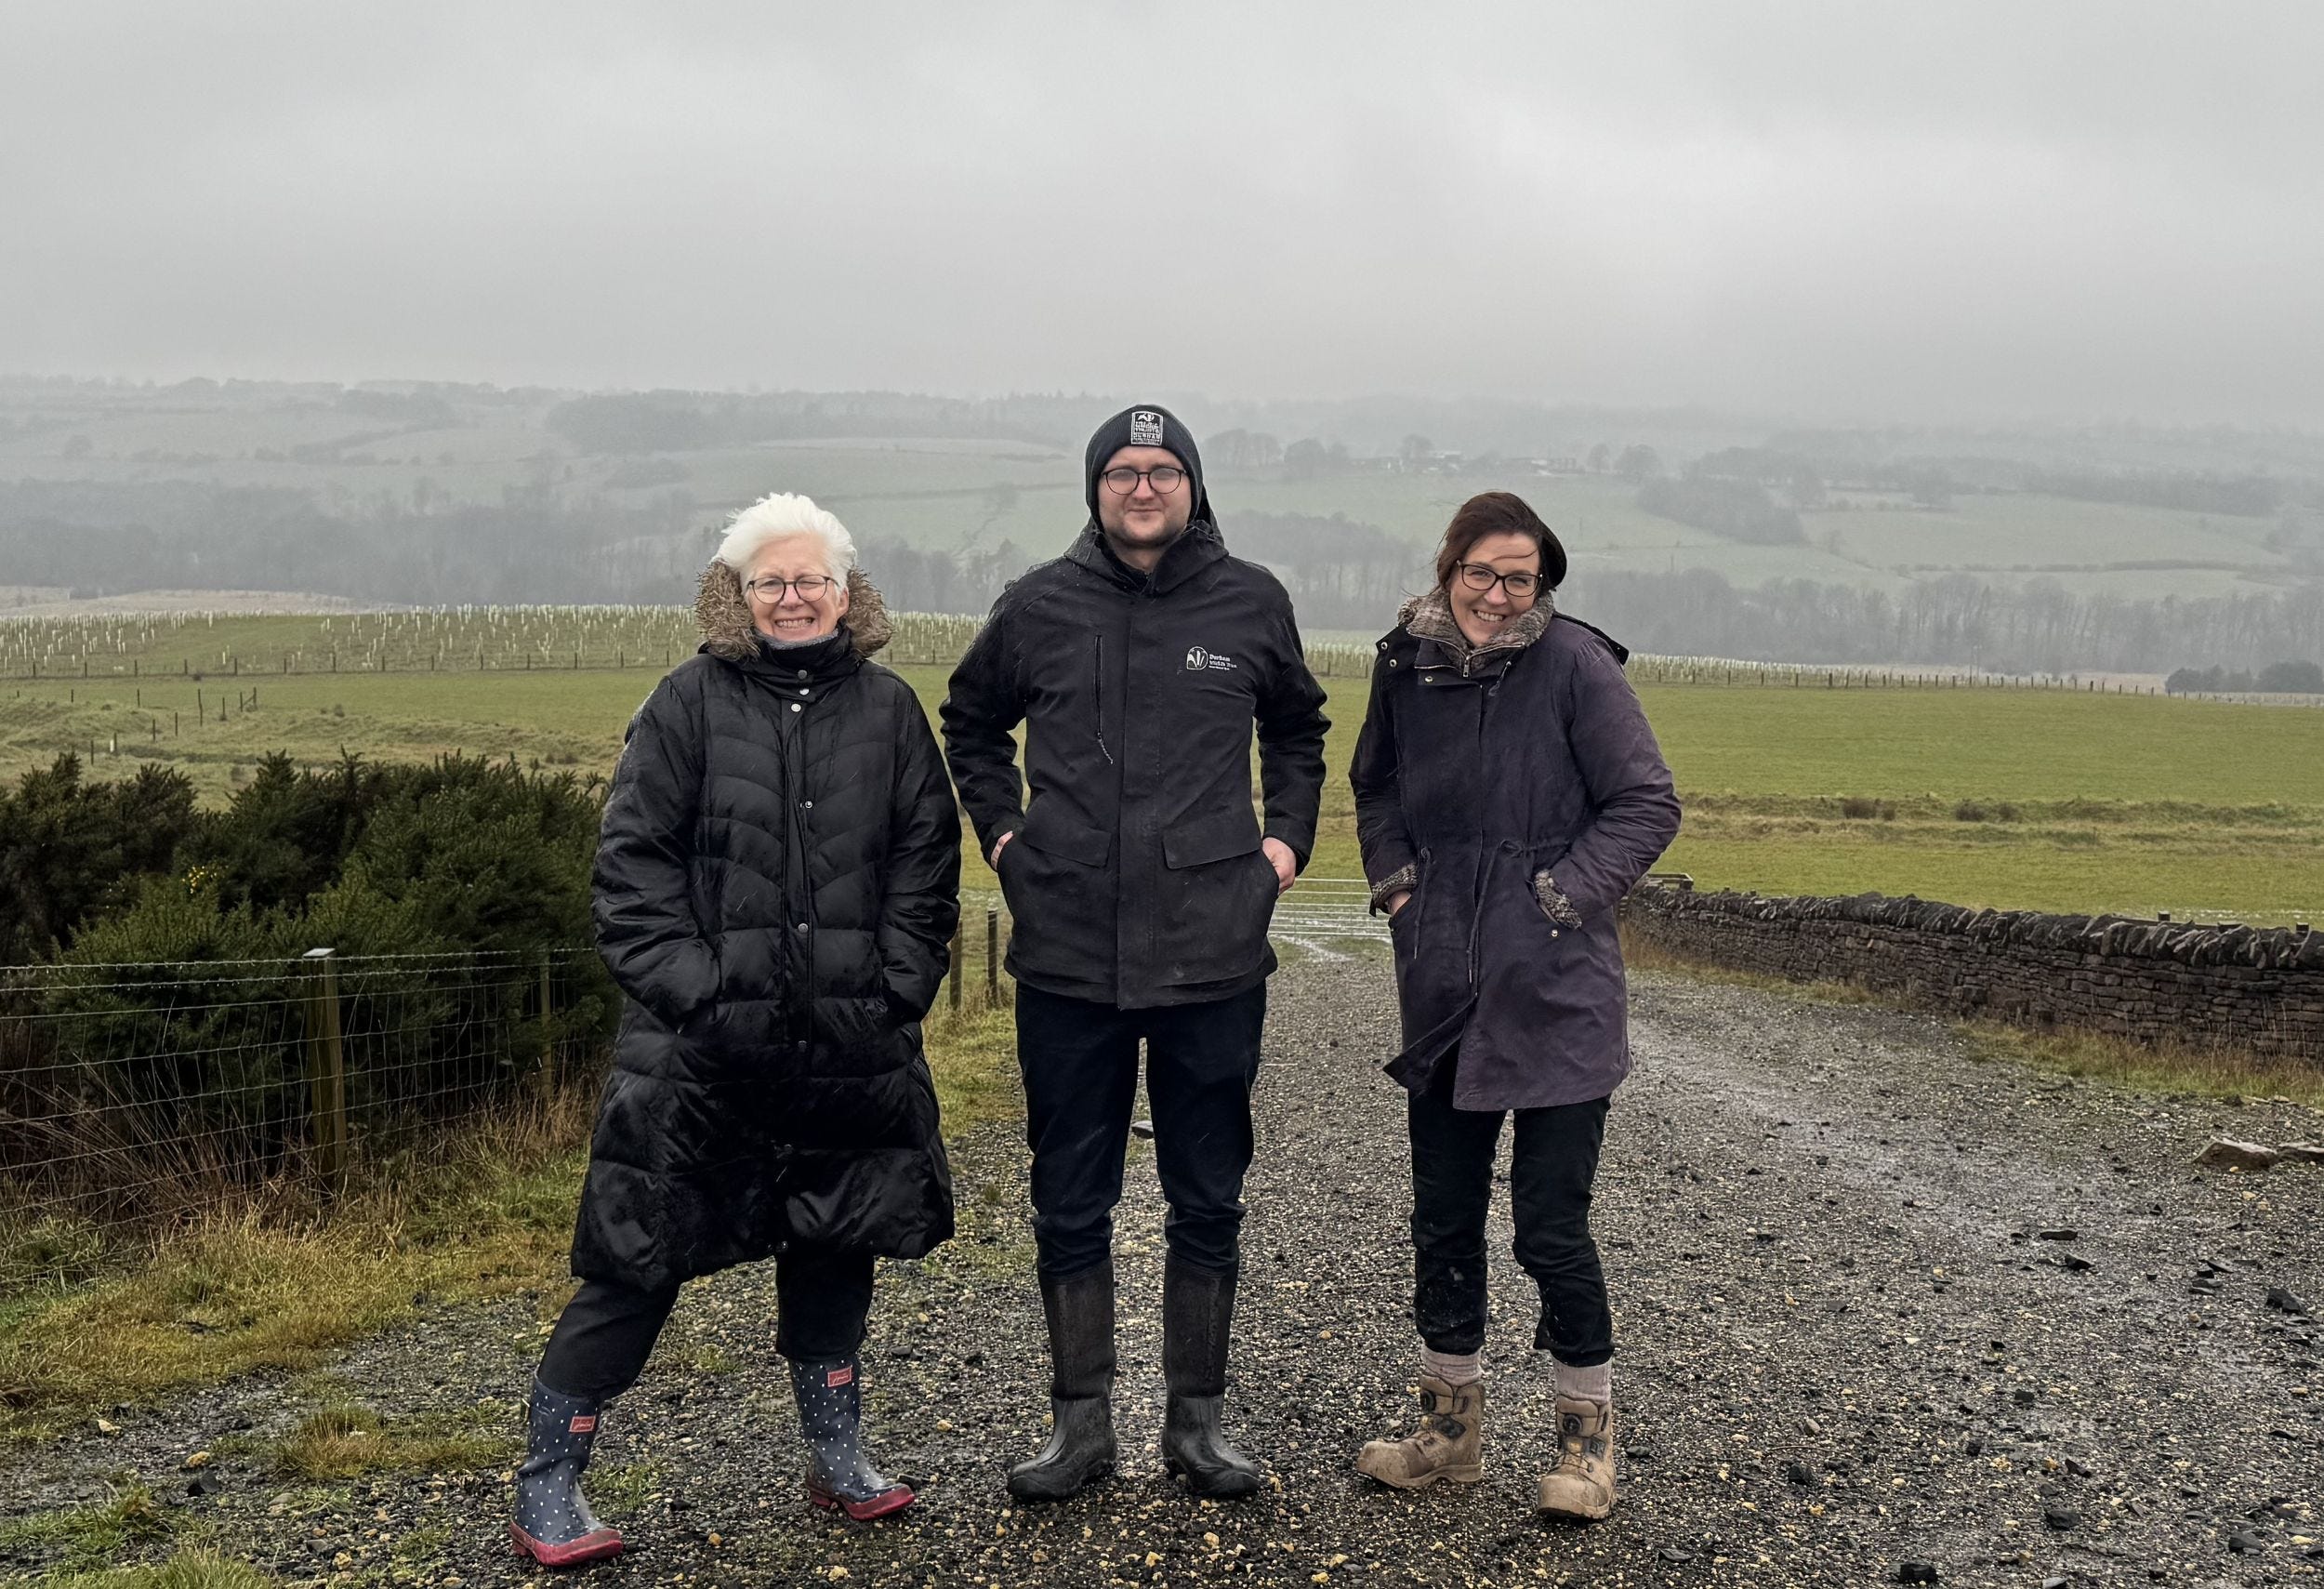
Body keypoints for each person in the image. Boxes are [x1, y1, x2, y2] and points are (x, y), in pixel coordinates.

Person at [508, 493, 960, 1567]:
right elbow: (631, 870)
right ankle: (547, 1481)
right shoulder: (684, 703)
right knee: (635, 1259)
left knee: (835, 1243)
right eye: (770, 581)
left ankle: (837, 1455)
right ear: (737, 594)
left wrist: (895, 988)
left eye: (811, 579)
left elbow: (926, 863)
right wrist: (698, 995)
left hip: (849, 1045)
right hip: (698, 1057)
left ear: (845, 593)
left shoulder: (892, 709)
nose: (792, 596)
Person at [941, 404, 1329, 1501]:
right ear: (1095, 488)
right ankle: (1080, 1429)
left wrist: (1283, 843)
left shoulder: (1250, 600)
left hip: (1214, 951)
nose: (1142, 486)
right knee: (1070, 1197)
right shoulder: (1037, 604)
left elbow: (1296, 728)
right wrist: (1005, 838)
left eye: (1162, 470)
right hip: (1067, 951)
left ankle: (1196, 1427)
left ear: (1193, 486)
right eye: (1122, 470)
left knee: (1207, 1196)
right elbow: (970, 721)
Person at [1347, 491, 1679, 1521]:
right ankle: (1448, 1434)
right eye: (1482, 573)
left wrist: (1560, 896)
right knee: (1443, 1217)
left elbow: (1646, 802)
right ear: (1449, 568)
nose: (1498, 595)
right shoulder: (1404, 665)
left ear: (1543, 584)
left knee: (1550, 1225)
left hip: (1559, 989)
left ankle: (1587, 1444)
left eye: (1520, 578)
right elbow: (1375, 785)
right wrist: (1400, 885)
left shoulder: (1576, 664)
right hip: (1442, 982)